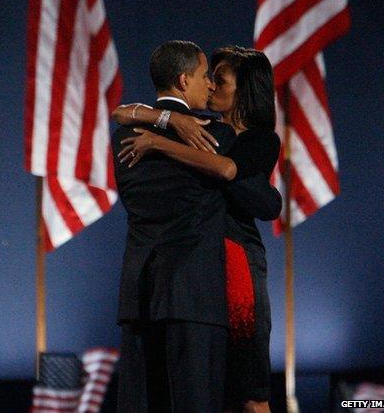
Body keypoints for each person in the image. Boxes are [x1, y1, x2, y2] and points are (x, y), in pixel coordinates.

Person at [115, 46, 281, 413]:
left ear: (244, 91)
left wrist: (160, 140)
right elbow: (121, 111)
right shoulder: (204, 129)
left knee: (249, 389)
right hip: (199, 269)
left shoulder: (252, 140)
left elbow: (255, 193)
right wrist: (172, 121)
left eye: (219, 79)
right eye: (209, 76)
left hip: (238, 265)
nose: (210, 85)